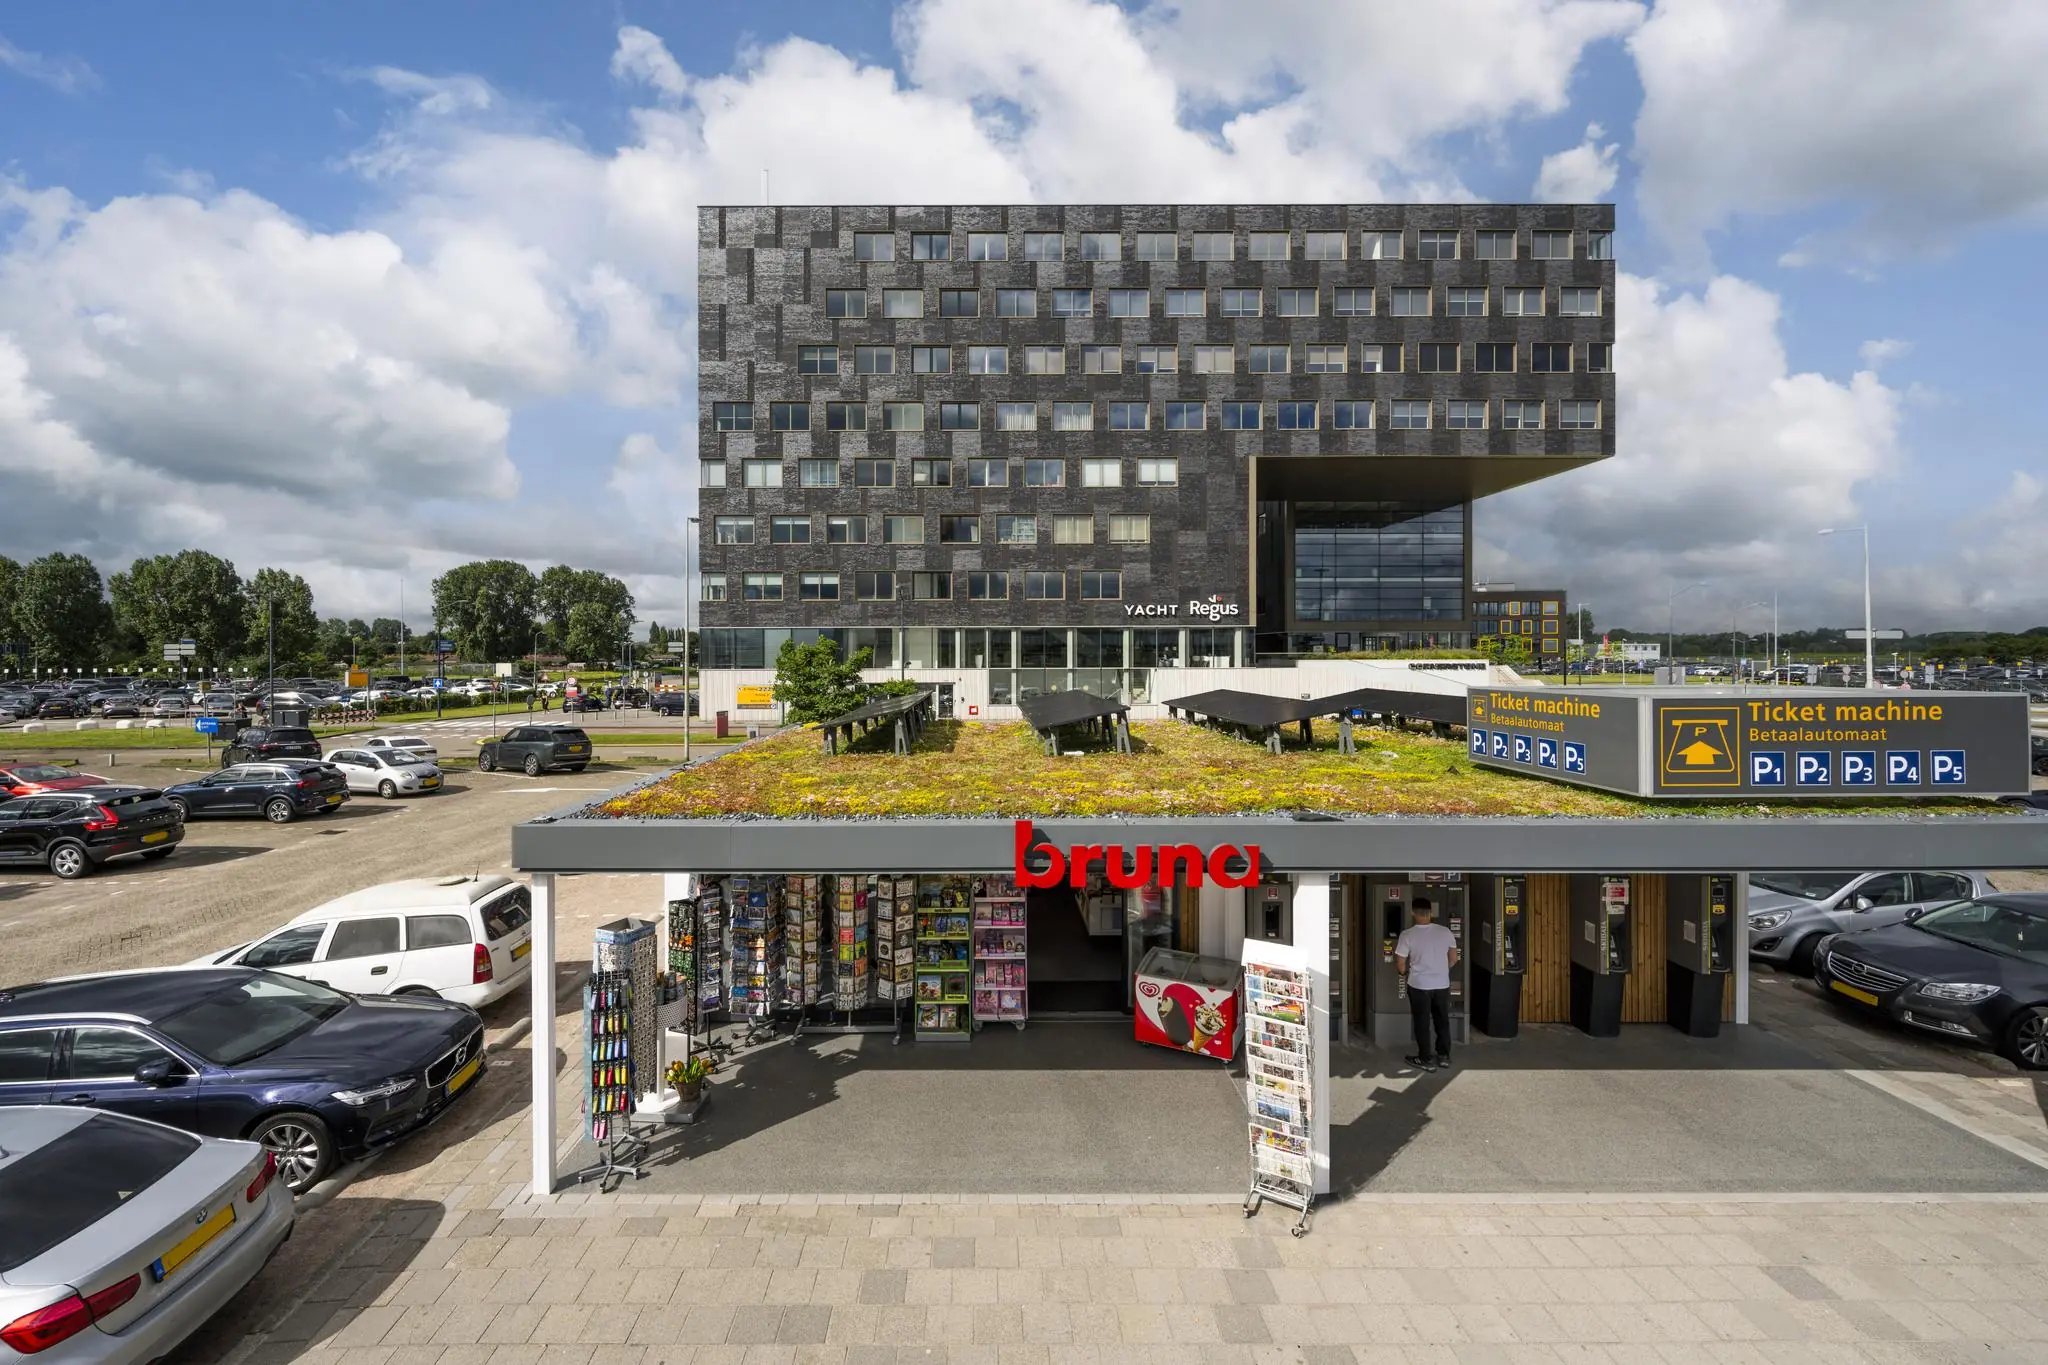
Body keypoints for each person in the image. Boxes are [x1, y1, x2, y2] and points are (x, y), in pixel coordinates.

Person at [1395, 895, 1459, 1071]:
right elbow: (1454, 958)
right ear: (1431, 912)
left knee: (1422, 1022)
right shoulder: (1445, 932)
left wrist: (1404, 973)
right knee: (1442, 1020)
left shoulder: (1407, 935)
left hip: (1419, 985)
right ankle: (1444, 1056)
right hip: (1442, 984)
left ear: (1412, 912)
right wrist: (1440, 969)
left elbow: (1400, 963)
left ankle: (1425, 1058)